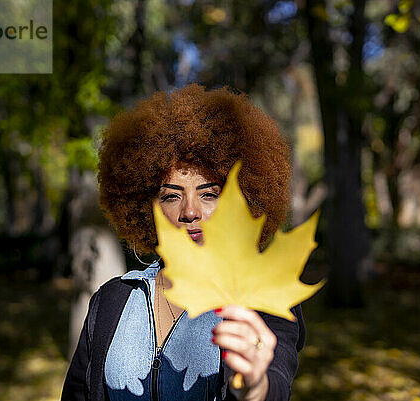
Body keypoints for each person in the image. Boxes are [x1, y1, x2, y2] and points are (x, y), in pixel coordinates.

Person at [61, 84, 305, 401]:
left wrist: (254, 385)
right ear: (148, 207)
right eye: (172, 195)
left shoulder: (263, 296)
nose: (190, 212)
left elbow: (274, 382)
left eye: (209, 194)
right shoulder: (112, 300)